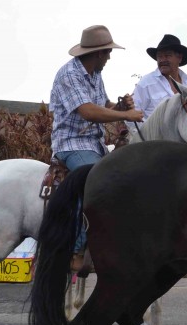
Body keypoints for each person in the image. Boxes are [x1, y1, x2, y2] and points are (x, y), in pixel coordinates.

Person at [51, 25, 144, 272]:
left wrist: (121, 106)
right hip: (71, 143)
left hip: (95, 143)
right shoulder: (69, 75)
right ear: (98, 53)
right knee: (94, 182)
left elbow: (103, 105)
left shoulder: (94, 74)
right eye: (108, 52)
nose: (110, 57)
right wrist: (126, 115)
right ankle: (76, 250)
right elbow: (88, 111)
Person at [132, 34, 187, 123]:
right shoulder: (146, 83)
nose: (162, 60)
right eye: (159, 56)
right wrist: (145, 136)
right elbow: (131, 114)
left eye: (167, 55)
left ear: (179, 58)